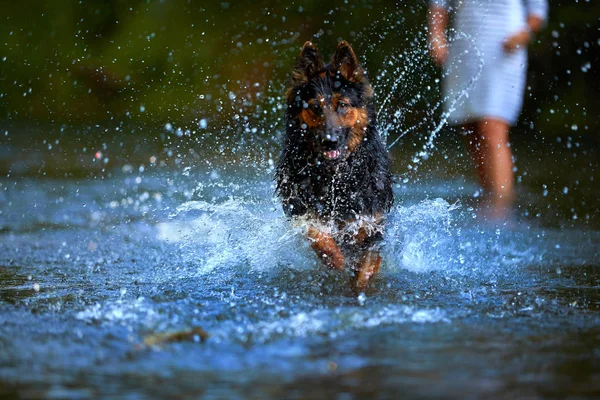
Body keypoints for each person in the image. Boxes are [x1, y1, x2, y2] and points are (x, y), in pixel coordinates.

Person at [427, 0, 548, 222]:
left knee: (492, 128)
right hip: (465, 48)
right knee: (470, 127)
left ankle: (502, 208)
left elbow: (537, 12)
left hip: (504, 46)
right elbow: (440, 4)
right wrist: (437, 36)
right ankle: (488, 196)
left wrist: (524, 33)